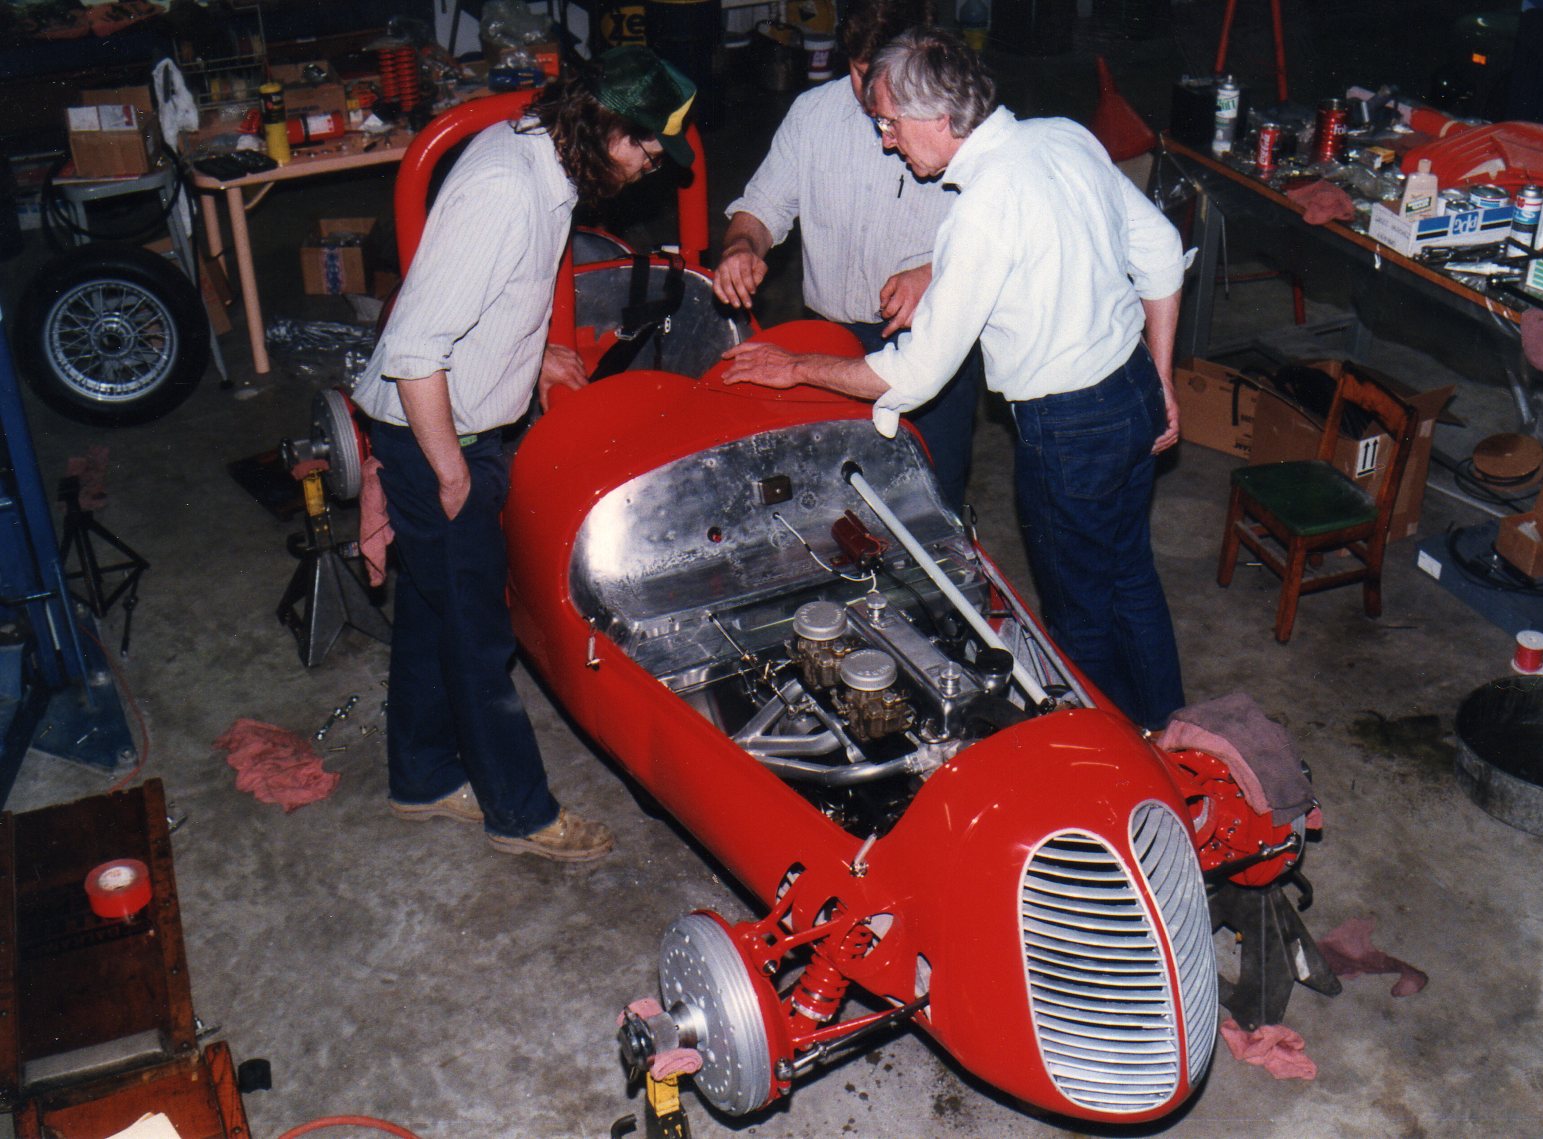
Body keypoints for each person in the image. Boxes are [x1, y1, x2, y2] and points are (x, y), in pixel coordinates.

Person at [722, 28, 1189, 727]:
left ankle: (1109, 765)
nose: (884, 141)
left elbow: (913, 373)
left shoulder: (977, 214)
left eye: (889, 123)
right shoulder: (1060, 136)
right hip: (1126, 390)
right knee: (1129, 578)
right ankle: (1169, 732)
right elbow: (1156, 249)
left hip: (1066, 428)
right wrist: (1159, 379)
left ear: (939, 119)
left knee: (1076, 617)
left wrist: (794, 367)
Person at [350, 47, 696, 861]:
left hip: (449, 423)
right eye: (646, 145)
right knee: (480, 635)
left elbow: (488, 289)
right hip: (436, 433)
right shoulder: (507, 187)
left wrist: (529, 352)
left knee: (434, 610)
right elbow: (412, 347)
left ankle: (422, 776)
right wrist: (451, 471)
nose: (652, 165)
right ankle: (521, 814)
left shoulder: (543, 159)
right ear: (605, 122)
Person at [712, 0, 980, 513]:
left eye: (892, 79)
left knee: (930, 504)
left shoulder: (954, 124)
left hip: (929, 340)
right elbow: (763, 206)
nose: (875, 94)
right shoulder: (812, 116)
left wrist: (934, 273)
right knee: (836, 505)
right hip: (831, 342)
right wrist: (744, 245)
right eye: (862, 74)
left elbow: (1002, 234)